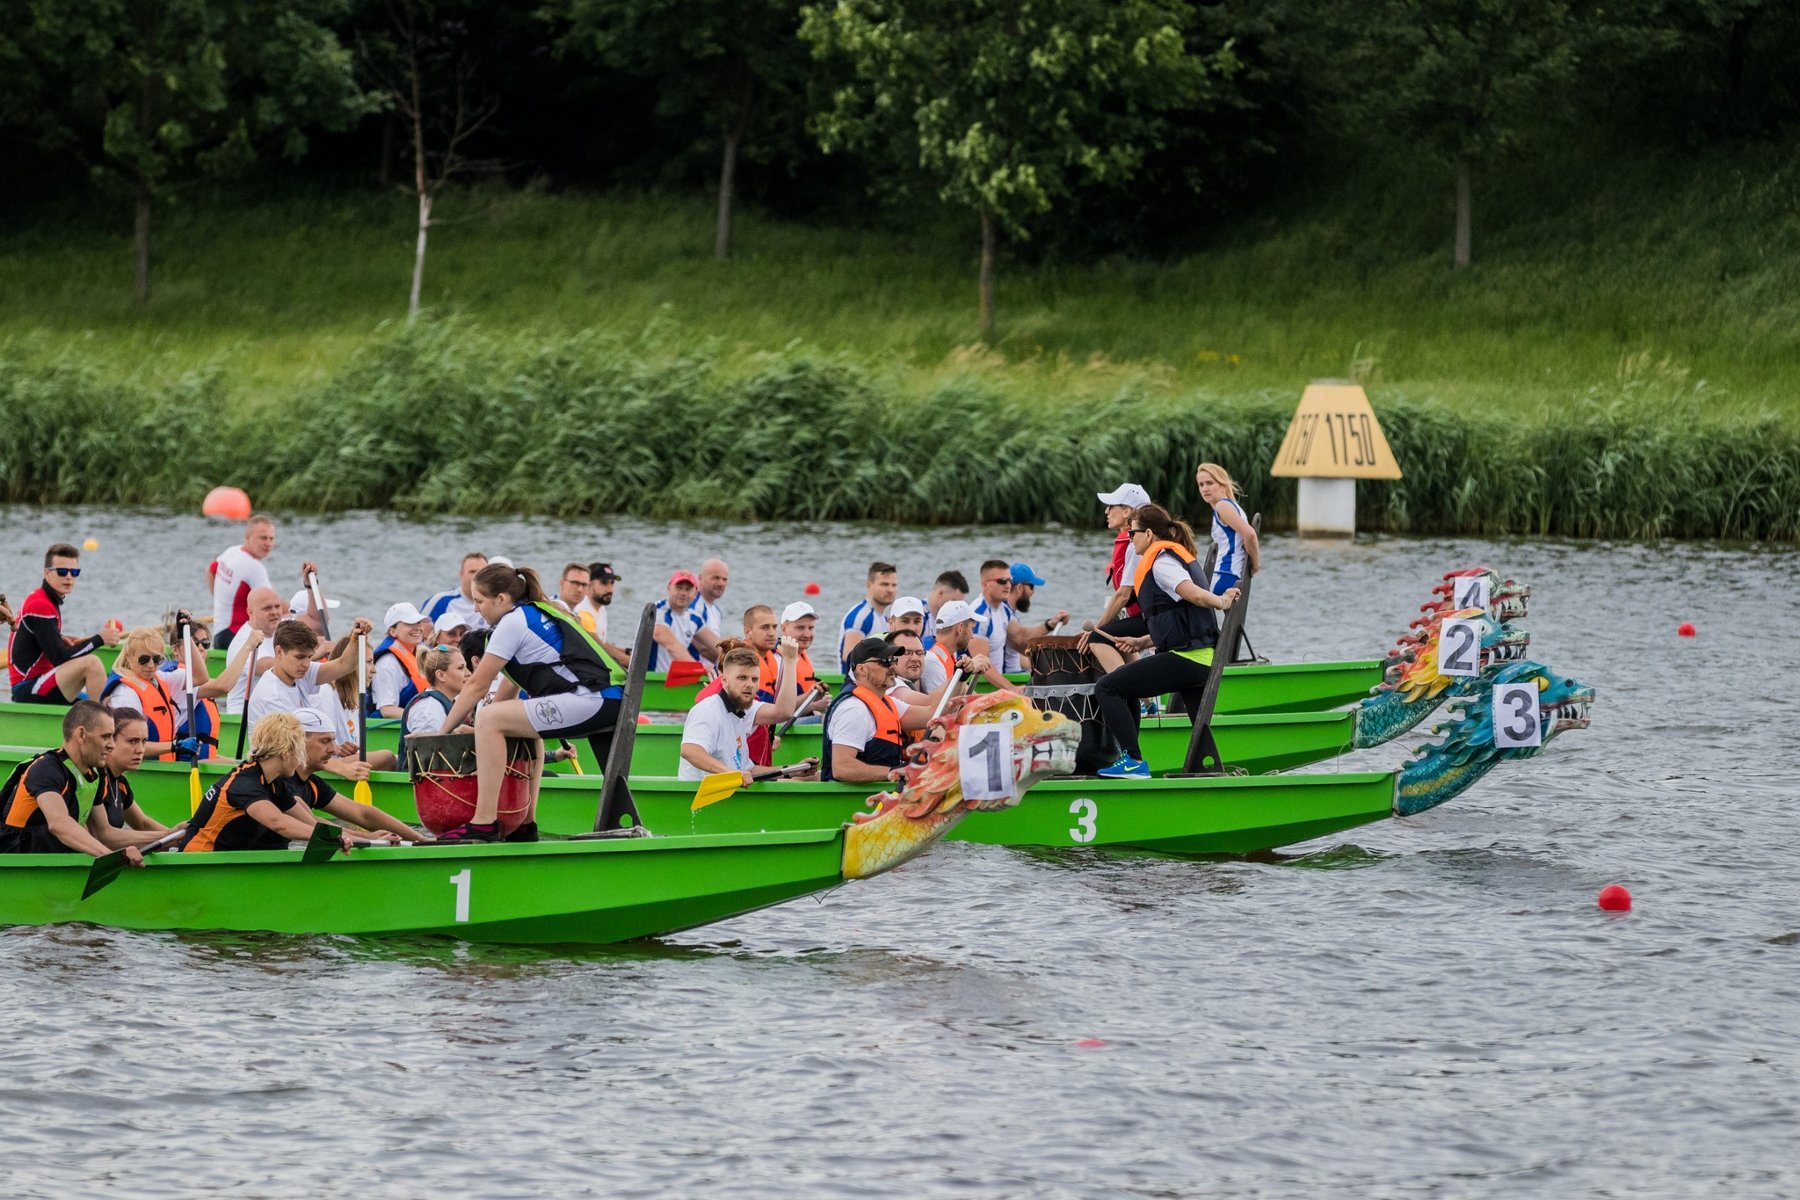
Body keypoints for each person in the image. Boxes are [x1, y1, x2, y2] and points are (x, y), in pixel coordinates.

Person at [433, 563, 625, 843]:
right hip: (608, 700)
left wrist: (441, 734)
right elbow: (509, 691)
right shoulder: (534, 613)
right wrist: (485, 733)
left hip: (594, 700)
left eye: (479, 601)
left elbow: (477, 685)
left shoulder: (513, 622)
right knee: (508, 722)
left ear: (501, 599)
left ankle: (484, 822)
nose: (476, 609)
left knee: (489, 718)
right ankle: (525, 822)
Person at [1094, 504, 1240, 779]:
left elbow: (1193, 595)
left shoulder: (1161, 562)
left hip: (1190, 659)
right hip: (1197, 657)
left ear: (1148, 534)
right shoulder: (1167, 557)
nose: (1130, 538)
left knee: (1108, 687)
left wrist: (1222, 601)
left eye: (1133, 533)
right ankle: (1212, 773)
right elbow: (1180, 617)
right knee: (1199, 726)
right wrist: (1142, 642)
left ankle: (1133, 761)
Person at [178, 712, 365, 853]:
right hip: (199, 859)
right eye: (299, 752)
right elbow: (279, 823)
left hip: (225, 862)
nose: (301, 760)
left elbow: (311, 824)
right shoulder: (245, 784)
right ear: (285, 753)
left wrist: (363, 838)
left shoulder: (276, 782)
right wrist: (332, 838)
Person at [247, 619, 394, 773]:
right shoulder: (272, 696)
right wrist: (343, 768)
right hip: (280, 772)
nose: (306, 664)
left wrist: (355, 639)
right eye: (300, 657)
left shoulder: (299, 673)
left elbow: (343, 665)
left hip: (301, 765)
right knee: (388, 758)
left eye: (309, 657)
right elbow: (295, 750)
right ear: (279, 651)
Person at [0, 700, 137, 864]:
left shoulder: (95, 773)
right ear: (81, 735)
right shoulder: (46, 769)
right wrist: (109, 858)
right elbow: (58, 823)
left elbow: (104, 833)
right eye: (106, 736)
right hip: (16, 866)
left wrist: (168, 835)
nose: (112, 745)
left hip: (51, 864)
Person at [100, 620, 241, 761]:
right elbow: (127, 746)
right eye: (144, 659)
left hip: (165, 765)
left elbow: (200, 677)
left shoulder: (162, 679)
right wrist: (174, 746)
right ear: (128, 656)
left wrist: (185, 634)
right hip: (140, 769)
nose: (150, 665)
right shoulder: (125, 693)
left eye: (156, 659)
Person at [285, 709, 425, 844]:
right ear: (298, 741)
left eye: (333, 741)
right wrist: (366, 837)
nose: (333, 749)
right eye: (324, 741)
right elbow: (313, 823)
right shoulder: (280, 781)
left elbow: (362, 813)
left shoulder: (313, 785)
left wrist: (421, 839)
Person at [7, 543, 121, 705]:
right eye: (62, 571)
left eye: (74, 572)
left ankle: (101, 717)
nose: (68, 577)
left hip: (38, 682)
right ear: (47, 573)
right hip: (27, 688)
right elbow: (60, 658)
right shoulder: (40, 604)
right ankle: (102, 725)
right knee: (91, 663)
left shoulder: (43, 599)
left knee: (98, 703)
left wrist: (58, 638)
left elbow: (39, 640)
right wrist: (100, 639)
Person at [678, 643, 806, 782]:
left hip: (728, 795)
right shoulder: (708, 710)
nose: (750, 684)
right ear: (725, 681)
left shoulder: (741, 714)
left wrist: (793, 770)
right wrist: (731, 774)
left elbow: (749, 770)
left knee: (810, 777)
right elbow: (689, 751)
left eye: (754, 679)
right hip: (699, 799)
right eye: (742, 678)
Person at [821, 638, 938, 783]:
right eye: (885, 662)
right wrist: (892, 772)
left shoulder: (887, 703)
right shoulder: (854, 710)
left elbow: (933, 715)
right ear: (861, 669)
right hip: (851, 801)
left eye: (893, 661)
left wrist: (962, 676)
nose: (892, 667)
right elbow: (841, 768)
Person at [91, 707, 179, 849]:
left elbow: (142, 823)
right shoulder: (95, 777)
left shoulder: (120, 783)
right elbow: (105, 837)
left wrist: (182, 837)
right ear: (110, 741)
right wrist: (169, 836)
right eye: (132, 741)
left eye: (144, 741)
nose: (140, 750)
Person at [969, 561, 1068, 686]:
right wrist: (1012, 690)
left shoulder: (1003, 610)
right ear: (985, 584)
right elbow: (981, 663)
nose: (1008, 585)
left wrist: (1050, 625)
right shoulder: (979, 614)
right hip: (979, 686)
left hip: (996, 685)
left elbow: (1021, 637)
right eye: (1002, 581)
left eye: (1010, 580)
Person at [1090, 483, 1153, 674]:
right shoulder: (1131, 540)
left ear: (1126, 512)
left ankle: (1126, 687)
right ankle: (1146, 702)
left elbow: (1123, 595)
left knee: (1096, 638)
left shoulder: (1135, 544)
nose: (1106, 511)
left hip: (1152, 617)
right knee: (1117, 638)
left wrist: (1096, 629)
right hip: (1144, 614)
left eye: (1111, 506)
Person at [207, 515, 276, 650]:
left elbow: (210, 571)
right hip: (235, 635)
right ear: (248, 537)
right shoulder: (254, 566)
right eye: (263, 538)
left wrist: (220, 602)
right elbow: (272, 602)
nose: (268, 543)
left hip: (220, 634)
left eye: (271, 539)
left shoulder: (233, 551)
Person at [1195, 462, 1261, 594]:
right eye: (1201, 485)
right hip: (1227, 575)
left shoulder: (1222, 506)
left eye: (1210, 483)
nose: (1205, 489)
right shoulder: (1229, 506)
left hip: (1224, 576)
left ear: (1223, 485)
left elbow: (1250, 534)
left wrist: (1256, 564)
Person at [221, 586, 288, 714]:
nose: (274, 612)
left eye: (277, 606)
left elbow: (314, 620)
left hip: (269, 714)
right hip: (243, 718)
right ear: (250, 612)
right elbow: (263, 666)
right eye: (267, 608)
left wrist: (310, 588)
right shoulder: (244, 640)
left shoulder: (278, 628)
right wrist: (307, 658)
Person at [919, 600, 992, 696]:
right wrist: (966, 671)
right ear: (960, 628)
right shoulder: (933, 662)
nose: (972, 636)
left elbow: (967, 695)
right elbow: (944, 706)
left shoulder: (948, 654)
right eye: (972, 629)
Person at [372, 602, 432, 719]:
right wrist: (425, 719)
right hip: (389, 731)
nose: (418, 628)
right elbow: (387, 710)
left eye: (418, 622)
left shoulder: (417, 655)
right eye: (410, 623)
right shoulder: (387, 663)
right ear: (392, 631)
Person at [650, 571, 717, 673]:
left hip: (672, 680)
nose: (683, 593)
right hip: (648, 679)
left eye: (688, 589)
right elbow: (671, 645)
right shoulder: (658, 610)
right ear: (669, 588)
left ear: (695, 592)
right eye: (679, 587)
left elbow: (718, 645)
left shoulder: (694, 619)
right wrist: (700, 668)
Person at [404, 646, 472, 740]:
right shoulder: (429, 708)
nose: (468, 673)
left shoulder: (446, 702)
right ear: (441, 675)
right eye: (460, 668)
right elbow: (425, 749)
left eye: (466, 667)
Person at [838, 561, 898, 664]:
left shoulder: (884, 619)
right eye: (884, 584)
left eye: (894, 585)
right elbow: (849, 656)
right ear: (869, 585)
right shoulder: (860, 617)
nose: (890, 590)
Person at [777, 602, 828, 717]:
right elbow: (778, 710)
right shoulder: (778, 660)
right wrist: (814, 705)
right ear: (783, 629)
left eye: (811, 628)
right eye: (800, 628)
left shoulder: (801, 654)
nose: (807, 634)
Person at [575, 561, 628, 664]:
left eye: (612, 583)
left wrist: (627, 651)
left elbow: (602, 643)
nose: (610, 589)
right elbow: (600, 649)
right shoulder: (583, 613)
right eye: (604, 583)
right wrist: (632, 662)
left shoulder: (600, 608)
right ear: (589, 584)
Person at [422, 552, 488, 632]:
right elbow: (420, 631)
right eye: (472, 572)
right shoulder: (440, 601)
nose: (477, 576)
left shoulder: (494, 603)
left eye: (482, 572)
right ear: (461, 574)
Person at [921, 570, 968, 649]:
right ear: (940, 593)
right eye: (954, 601)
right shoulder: (919, 616)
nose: (957, 608)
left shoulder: (953, 620)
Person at [697, 558, 730, 639]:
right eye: (716, 578)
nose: (721, 583)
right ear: (700, 578)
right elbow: (702, 647)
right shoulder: (694, 606)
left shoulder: (716, 610)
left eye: (724, 579)